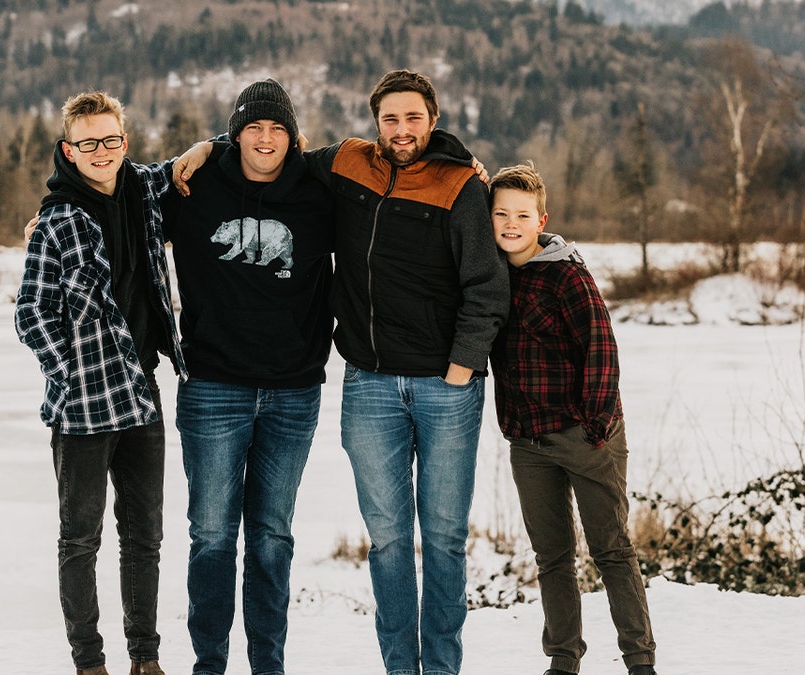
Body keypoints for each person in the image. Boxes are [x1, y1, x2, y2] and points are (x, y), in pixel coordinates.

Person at [175, 68, 508, 675]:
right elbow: (261, 146)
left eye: (413, 117)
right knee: (380, 542)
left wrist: (464, 365)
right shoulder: (346, 164)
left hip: (438, 385)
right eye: (390, 118)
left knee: (440, 539)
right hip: (365, 383)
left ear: (433, 119)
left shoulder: (459, 183)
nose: (402, 129)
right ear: (374, 121)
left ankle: (439, 669)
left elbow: (488, 283)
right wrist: (207, 147)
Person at [162, 79, 334, 675]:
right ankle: (209, 663)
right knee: (211, 534)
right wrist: (51, 221)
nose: (266, 139)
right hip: (212, 386)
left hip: (294, 391)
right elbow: (114, 200)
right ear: (236, 134)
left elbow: (390, 185)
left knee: (271, 538)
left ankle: (268, 665)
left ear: (293, 136)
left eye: (277, 129)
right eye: (253, 128)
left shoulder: (319, 192)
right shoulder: (191, 187)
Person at [15, 90, 185, 675]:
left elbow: (184, 167)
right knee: (79, 540)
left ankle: (146, 658)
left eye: (111, 140)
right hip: (83, 406)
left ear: (124, 142)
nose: (101, 151)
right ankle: (89, 662)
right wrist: (68, 372)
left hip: (141, 394)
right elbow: (30, 314)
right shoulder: (57, 222)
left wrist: (217, 143)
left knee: (145, 537)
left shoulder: (143, 196)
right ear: (69, 148)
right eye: (88, 143)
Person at [486, 163, 658, 675]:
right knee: (552, 558)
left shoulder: (566, 275)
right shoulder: (492, 276)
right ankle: (563, 660)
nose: (511, 224)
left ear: (542, 219)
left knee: (611, 550)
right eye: (500, 214)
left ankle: (640, 661)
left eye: (522, 215)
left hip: (586, 436)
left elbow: (601, 348)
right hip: (527, 441)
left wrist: (595, 425)